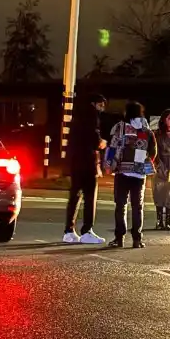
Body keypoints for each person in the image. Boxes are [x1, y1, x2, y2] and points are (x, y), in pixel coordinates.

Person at [103, 101, 157, 248]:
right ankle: (137, 239)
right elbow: (153, 151)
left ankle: (119, 238)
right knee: (137, 206)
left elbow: (112, 146)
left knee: (121, 205)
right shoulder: (147, 130)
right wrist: (144, 162)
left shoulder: (120, 127)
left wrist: (108, 164)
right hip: (139, 174)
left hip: (122, 172)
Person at [64, 93, 108, 244]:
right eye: (101, 105)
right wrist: (102, 143)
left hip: (75, 162)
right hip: (88, 162)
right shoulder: (92, 117)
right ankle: (87, 231)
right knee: (90, 197)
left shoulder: (77, 118)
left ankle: (69, 231)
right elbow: (94, 139)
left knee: (75, 196)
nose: (102, 108)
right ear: (94, 104)